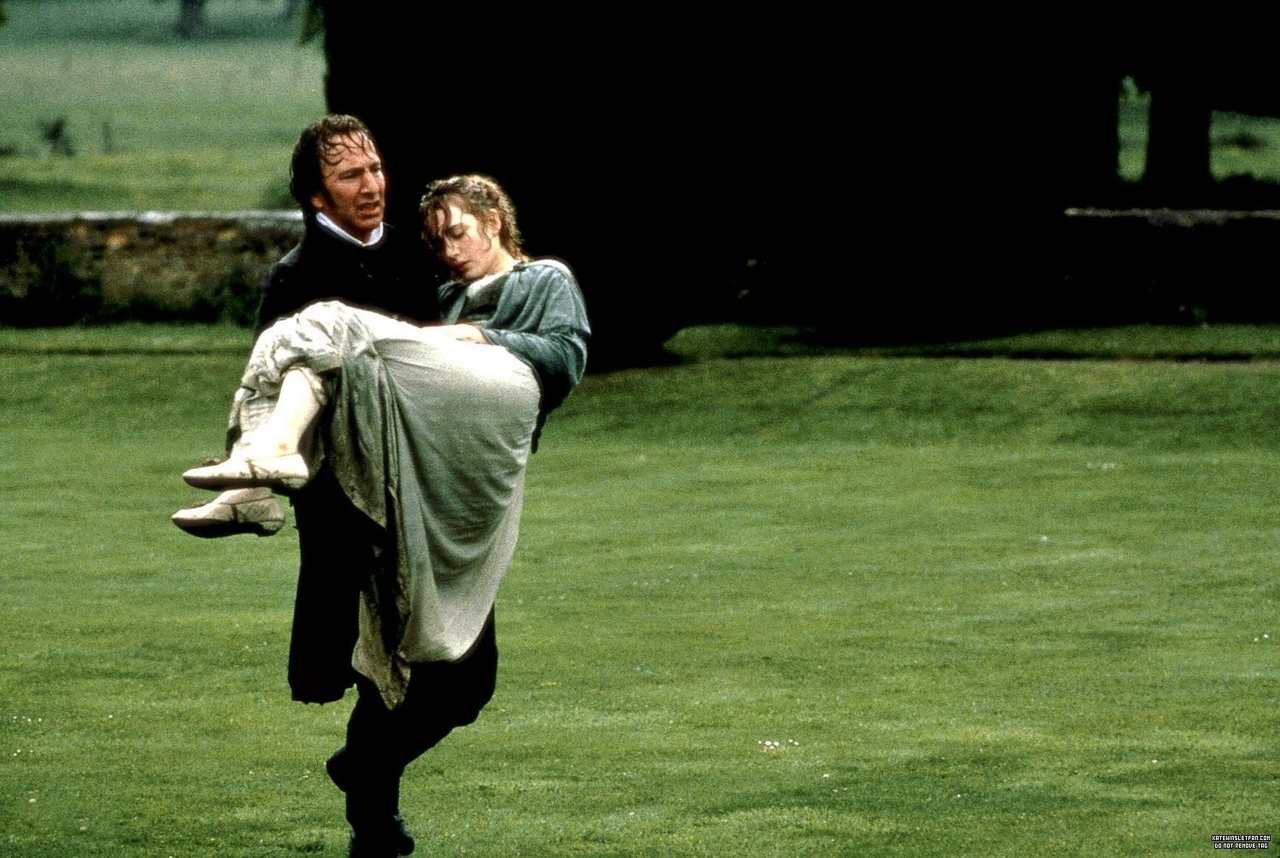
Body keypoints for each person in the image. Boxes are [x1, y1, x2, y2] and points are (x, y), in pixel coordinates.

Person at [179, 173, 589, 858]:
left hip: (486, 450)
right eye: (436, 242)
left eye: (457, 232)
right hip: (422, 471)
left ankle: (364, 767)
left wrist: (478, 337)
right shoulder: (440, 296)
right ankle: (374, 820)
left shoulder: (543, 279)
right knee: (398, 653)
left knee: (466, 681)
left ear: (493, 220)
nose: (448, 251)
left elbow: (566, 358)